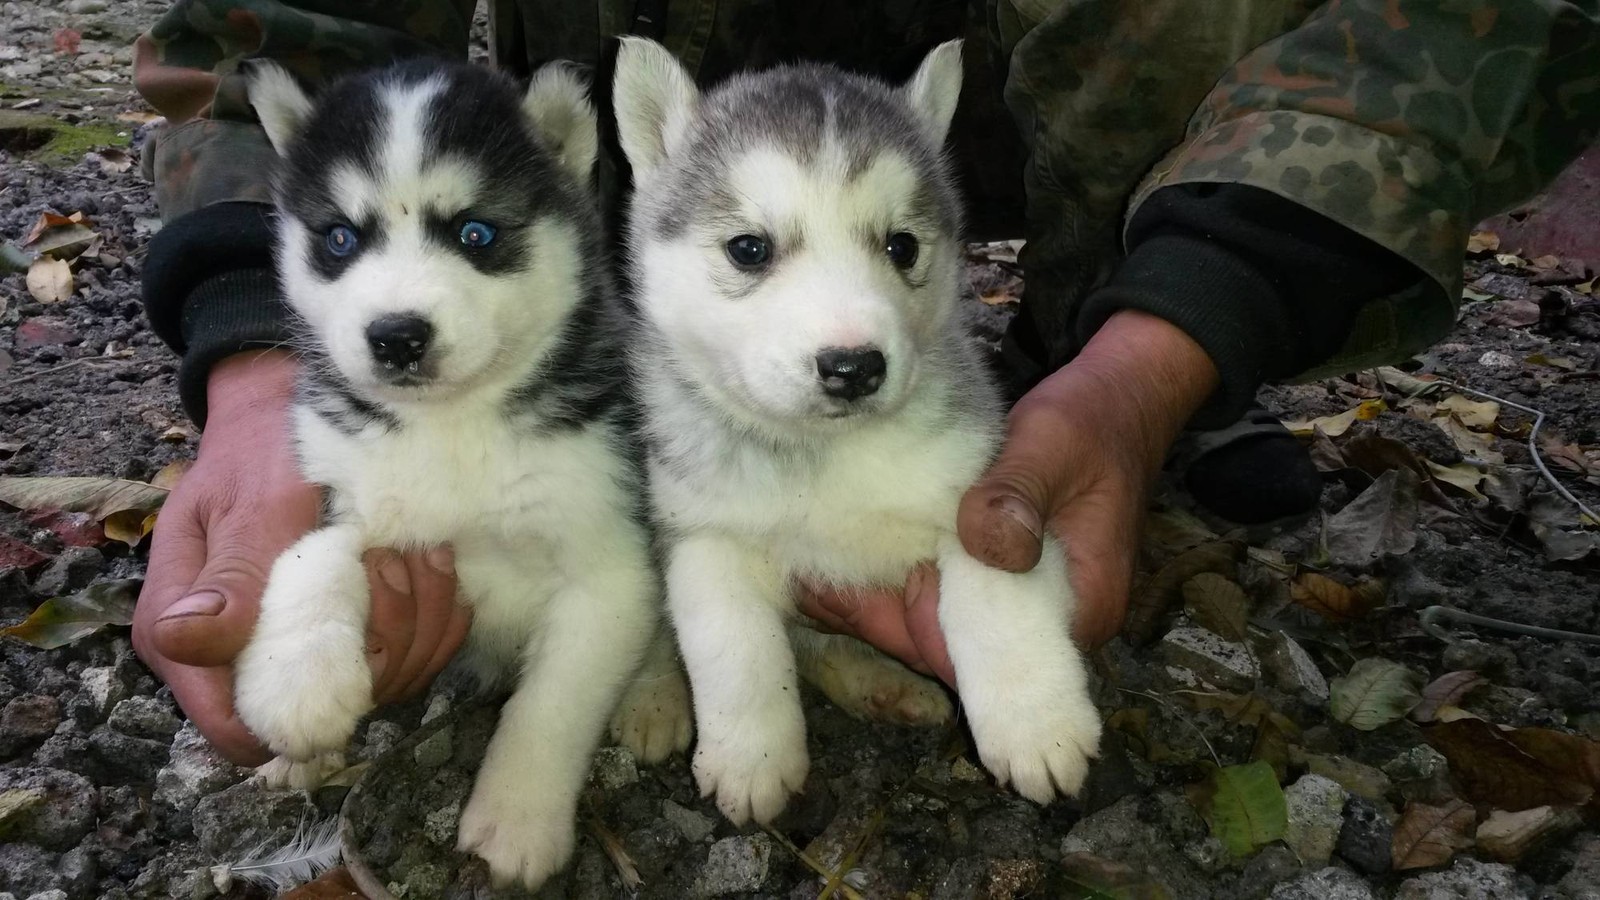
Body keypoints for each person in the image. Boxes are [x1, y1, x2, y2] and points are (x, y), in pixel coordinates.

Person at [131, 0, 1600, 764]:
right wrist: (270, 361)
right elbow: (277, 32)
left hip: (1017, 105)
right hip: (662, 98)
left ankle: (1119, 336)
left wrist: (1174, 339)